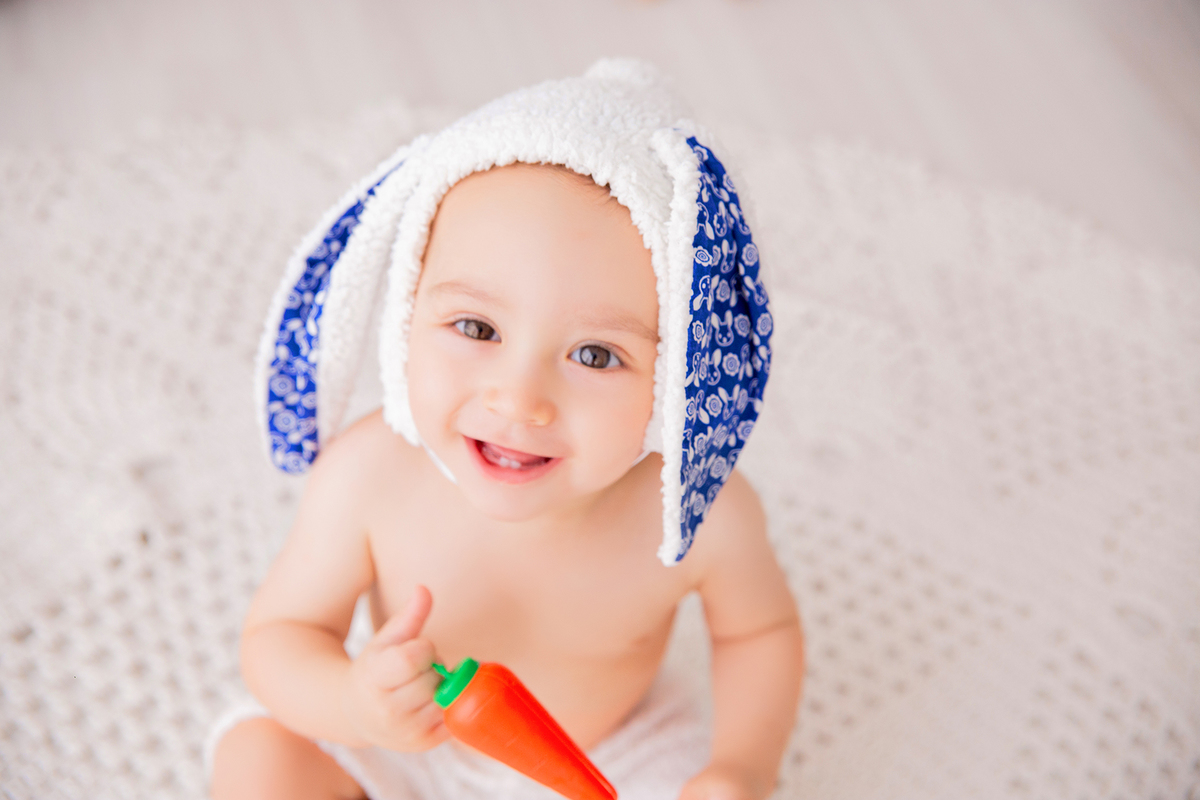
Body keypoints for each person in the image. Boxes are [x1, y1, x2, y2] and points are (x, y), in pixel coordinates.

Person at [209, 60, 803, 800]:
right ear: (405, 317)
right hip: (407, 743)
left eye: (595, 354)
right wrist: (355, 704)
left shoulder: (696, 509)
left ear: (679, 376)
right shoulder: (370, 476)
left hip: (610, 762)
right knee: (260, 757)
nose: (520, 400)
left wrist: (739, 767)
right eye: (476, 326)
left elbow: (759, 635)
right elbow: (281, 637)